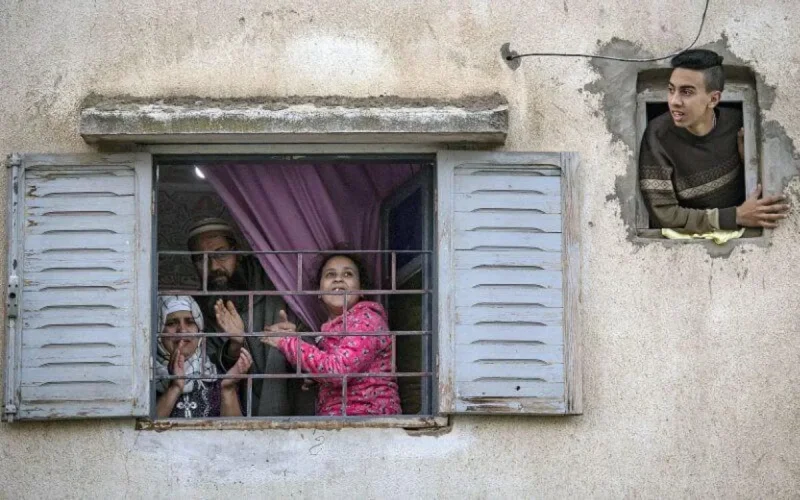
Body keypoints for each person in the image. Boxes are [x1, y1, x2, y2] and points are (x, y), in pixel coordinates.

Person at [639, 49, 789, 233]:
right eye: (671, 90)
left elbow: (765, 189)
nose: (674, 101)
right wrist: (734, 216)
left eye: (686, 92)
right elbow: (664, 215)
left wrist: (748, 160)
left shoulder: (739, 124)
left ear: (713, 99)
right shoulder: (657, 135)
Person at [187, 218, 314, 416]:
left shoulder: (277, 280)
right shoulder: (198, 309)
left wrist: (294, 340)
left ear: (237, 251)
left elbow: (315, 335)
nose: (213, 267)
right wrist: (235, 344)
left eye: (220, 254)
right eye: (201, 259)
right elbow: (208, 371)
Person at [262, 252, 401, 416]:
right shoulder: (328, 331)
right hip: (342, 423)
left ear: (361, 290)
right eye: (330, 275)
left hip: (368, 421)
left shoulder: (367, 319)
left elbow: (338, 371)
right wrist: (317, 378)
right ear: (319, 292)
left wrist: (289, 343)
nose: (338, 279)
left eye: (348, 274)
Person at [155, 295, 252, 418]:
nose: (182, 330)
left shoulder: (215, 373)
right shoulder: (145, 377)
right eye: (171, 323)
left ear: (199, 329)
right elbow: (140, 431)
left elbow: (237, 433)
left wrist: (228, 388)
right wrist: (175, 387)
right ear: (158, 329)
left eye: (190, 322)